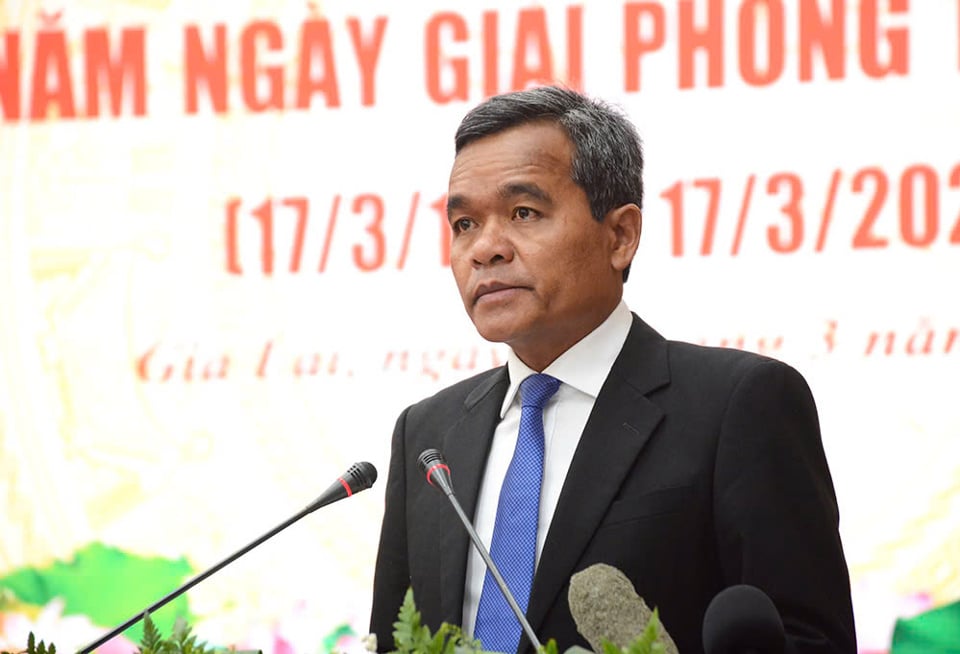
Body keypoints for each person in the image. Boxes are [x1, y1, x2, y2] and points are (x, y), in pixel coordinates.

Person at [369, 86, 856, 654]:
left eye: (523, 212)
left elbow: (811, 640)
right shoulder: (426, 437)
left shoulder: (739, 406)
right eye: (464, 225)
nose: (486, 249)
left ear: (620, 236)